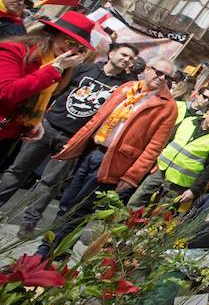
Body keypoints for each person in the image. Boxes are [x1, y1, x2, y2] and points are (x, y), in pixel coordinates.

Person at [35, 59, 178, 258]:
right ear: (147, 69)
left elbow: (153, 148)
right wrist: (75, 143)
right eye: (159, 72)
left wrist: (131, 177)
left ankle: (43, 255)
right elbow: (98, 118)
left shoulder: (168, 107)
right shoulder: (127, 88)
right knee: (67, 203)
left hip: (114, 163)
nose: (162, 79)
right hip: (92, 151)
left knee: (80, 210)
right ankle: (57, 252)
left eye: (167, 77)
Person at [0, 42, 137, 236]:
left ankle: (29, 222)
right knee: (18, 170)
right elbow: (58, 90)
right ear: (111, 53)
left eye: (131, 58)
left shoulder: (125, 87)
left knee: (50, 182)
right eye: (124, 54)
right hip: (49, 126)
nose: (127, 60)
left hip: (74, 139)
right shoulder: (84, 69)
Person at [0, 11, 93, 166]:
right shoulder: (15, 50)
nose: (74, 51)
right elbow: (6, 92)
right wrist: (54, 70)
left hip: (8, 134)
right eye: (70, 42)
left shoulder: (56, 62)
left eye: (80, 48)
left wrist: (35, 122)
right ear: (52, 34)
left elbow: (36, 98)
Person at [127, 102, 209, 208]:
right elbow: (167, 140)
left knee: (159, 216)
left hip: (179, 184)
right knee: (136, 201)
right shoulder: (188, 121)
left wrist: (193, 190)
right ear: (207, 112)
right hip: (160, 171)